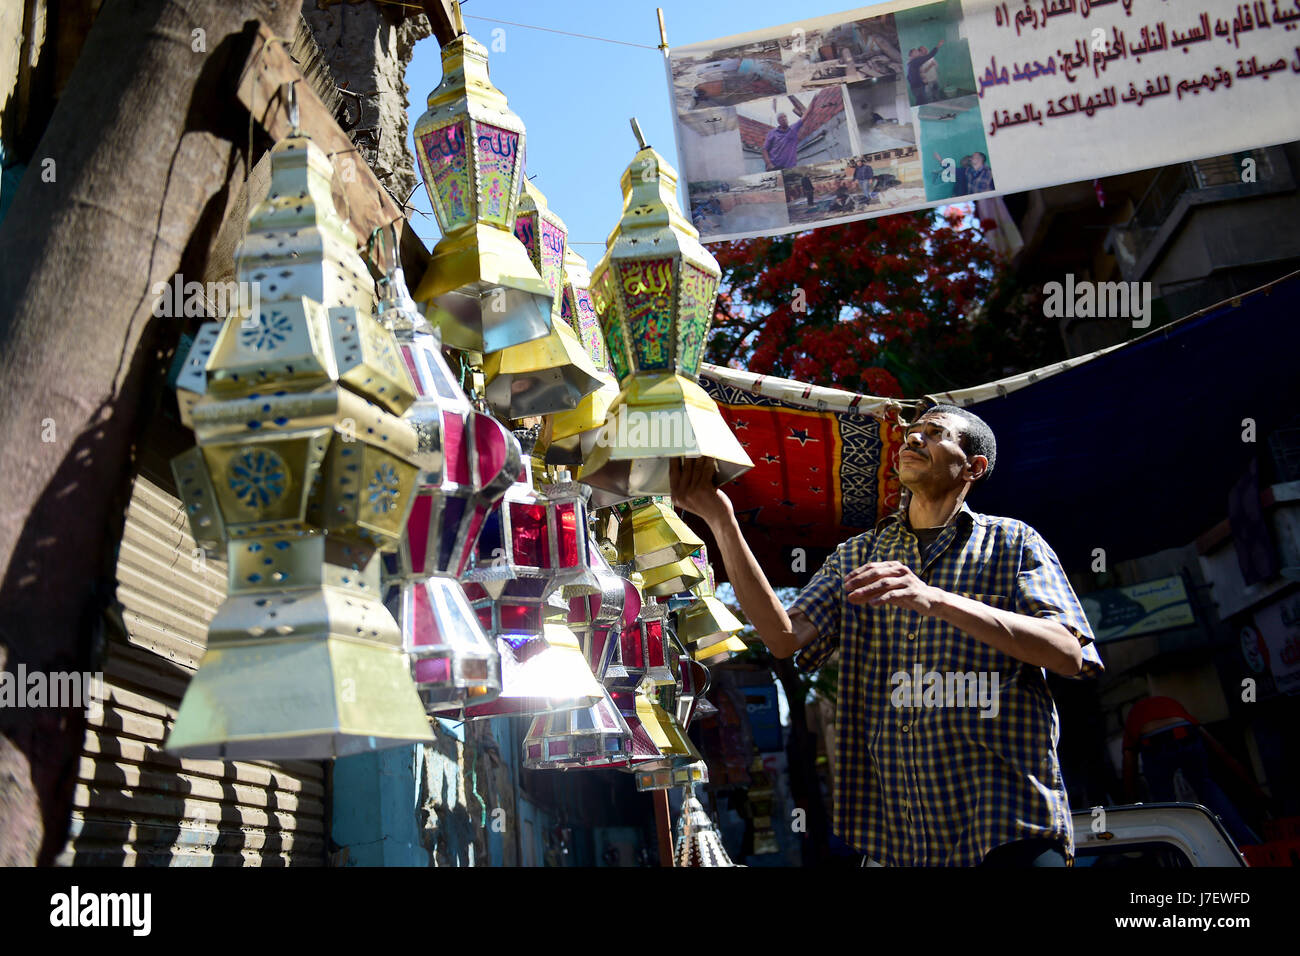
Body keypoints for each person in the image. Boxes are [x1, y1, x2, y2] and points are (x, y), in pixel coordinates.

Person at [670, 405, 1104, 867]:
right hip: (900, 843)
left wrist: (934, 598)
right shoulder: (856, 555)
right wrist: (722, 521)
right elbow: (783, 638)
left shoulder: (1013, 542)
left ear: (973, 467)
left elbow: (1067, 653)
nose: (914, 439)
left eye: (936, 434)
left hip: (1008, 830)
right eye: (912, 433)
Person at [1121, 696, 1265, 846]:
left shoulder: (1133, 717)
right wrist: (1257, 792)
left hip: (1153, 741)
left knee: (1165, 800)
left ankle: (1178, 845)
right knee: (1206, 787)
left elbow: (1129, 766)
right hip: (1185, 730)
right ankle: (1246, 843)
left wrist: (1130, 807)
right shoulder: (1173, 705)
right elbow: (1222, 753)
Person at [763, 95, 807, 170]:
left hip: (790, 168)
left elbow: (805, 116)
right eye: (781, 118)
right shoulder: (772, 133)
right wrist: (769, 164)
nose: (783, 119)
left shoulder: (793, 129)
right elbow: (764, 150)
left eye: (785, 117)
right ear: (778, 121)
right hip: (775, 167)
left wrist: (815, 99)